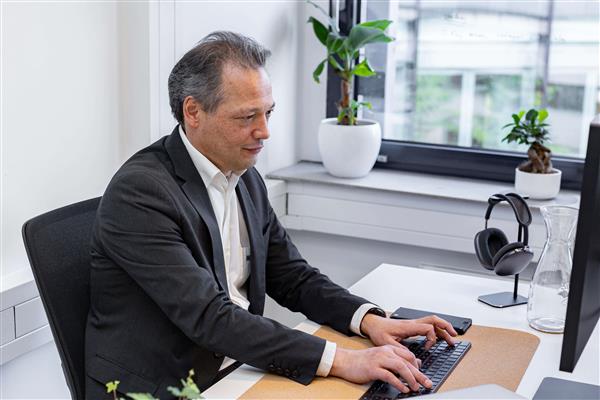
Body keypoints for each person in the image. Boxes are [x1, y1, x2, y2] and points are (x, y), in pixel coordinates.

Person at [85, 31, 457, 399]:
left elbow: (291, 275)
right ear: (193, 111)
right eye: (247, 116)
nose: (264, 132)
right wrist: (343, 360)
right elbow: (209, 318)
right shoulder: (141, 193)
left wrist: (371, 322)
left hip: (238, 366)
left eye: (268, 113)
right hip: (169, 386)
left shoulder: (244, 173)